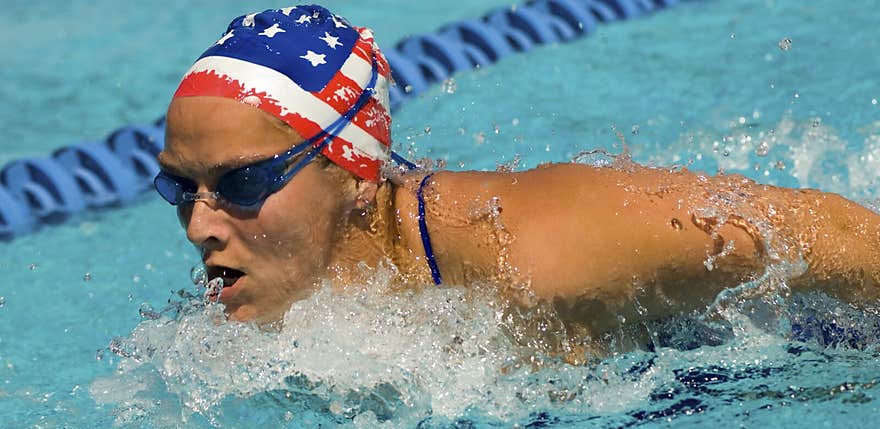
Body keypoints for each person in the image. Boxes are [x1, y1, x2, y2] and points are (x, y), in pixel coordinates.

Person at [155, 5, 880, 344]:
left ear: (356, 175)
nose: (199, 224)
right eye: (182, 188)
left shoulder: (539, 247)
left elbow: (825, 232)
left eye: (241, 184)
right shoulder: (255, 308)